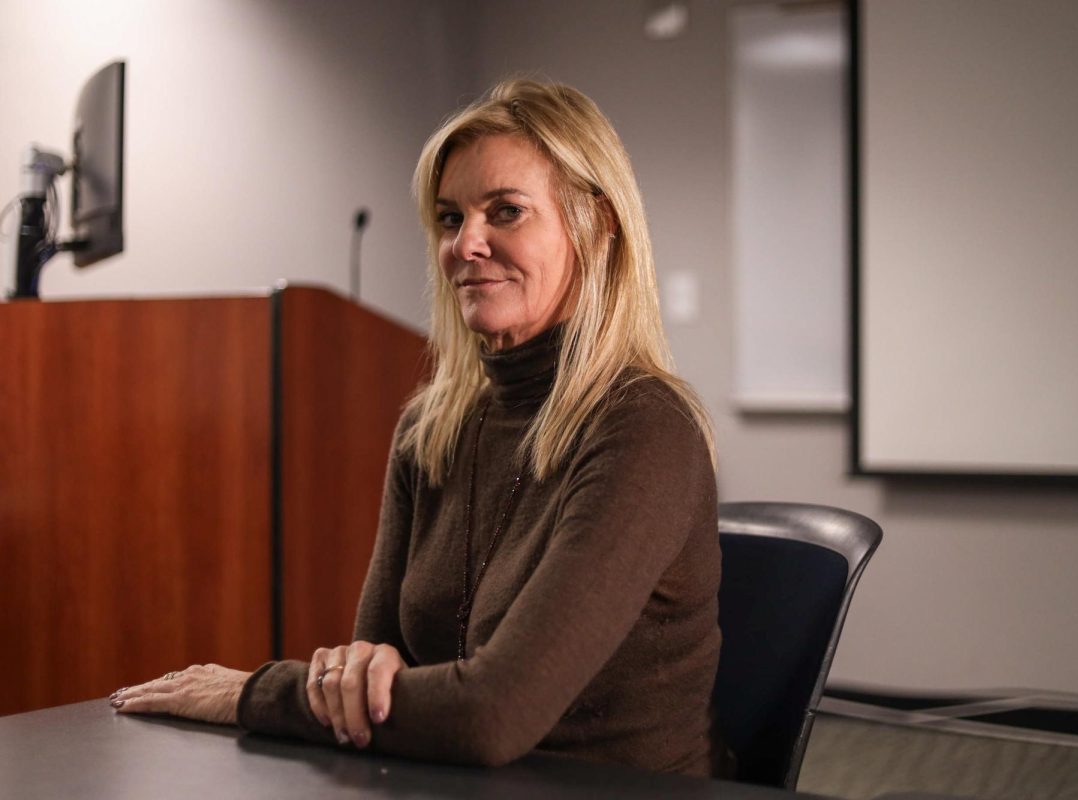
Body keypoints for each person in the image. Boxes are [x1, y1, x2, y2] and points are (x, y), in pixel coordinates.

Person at [111, 79, 725, 777]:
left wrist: (253, 693)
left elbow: (492, 714)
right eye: (449, 217)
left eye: (506, 212)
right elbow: (363, 680)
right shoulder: (429, 430)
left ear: (598, 225)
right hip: (443, 782)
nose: (467, 244)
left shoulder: (645, 429)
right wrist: (351, 685)